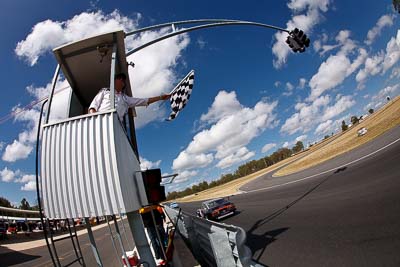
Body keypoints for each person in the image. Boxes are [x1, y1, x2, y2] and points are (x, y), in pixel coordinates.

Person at [89, 73, 170, 120]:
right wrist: (94, 121)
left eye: (123, 80)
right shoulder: (104, 91)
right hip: (101, 120)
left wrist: (160, 97)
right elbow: (93, 106)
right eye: (119, 78)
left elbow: (144, 101)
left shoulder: (125, 98)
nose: (121, 80)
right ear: (114, 80)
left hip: (117, 125)